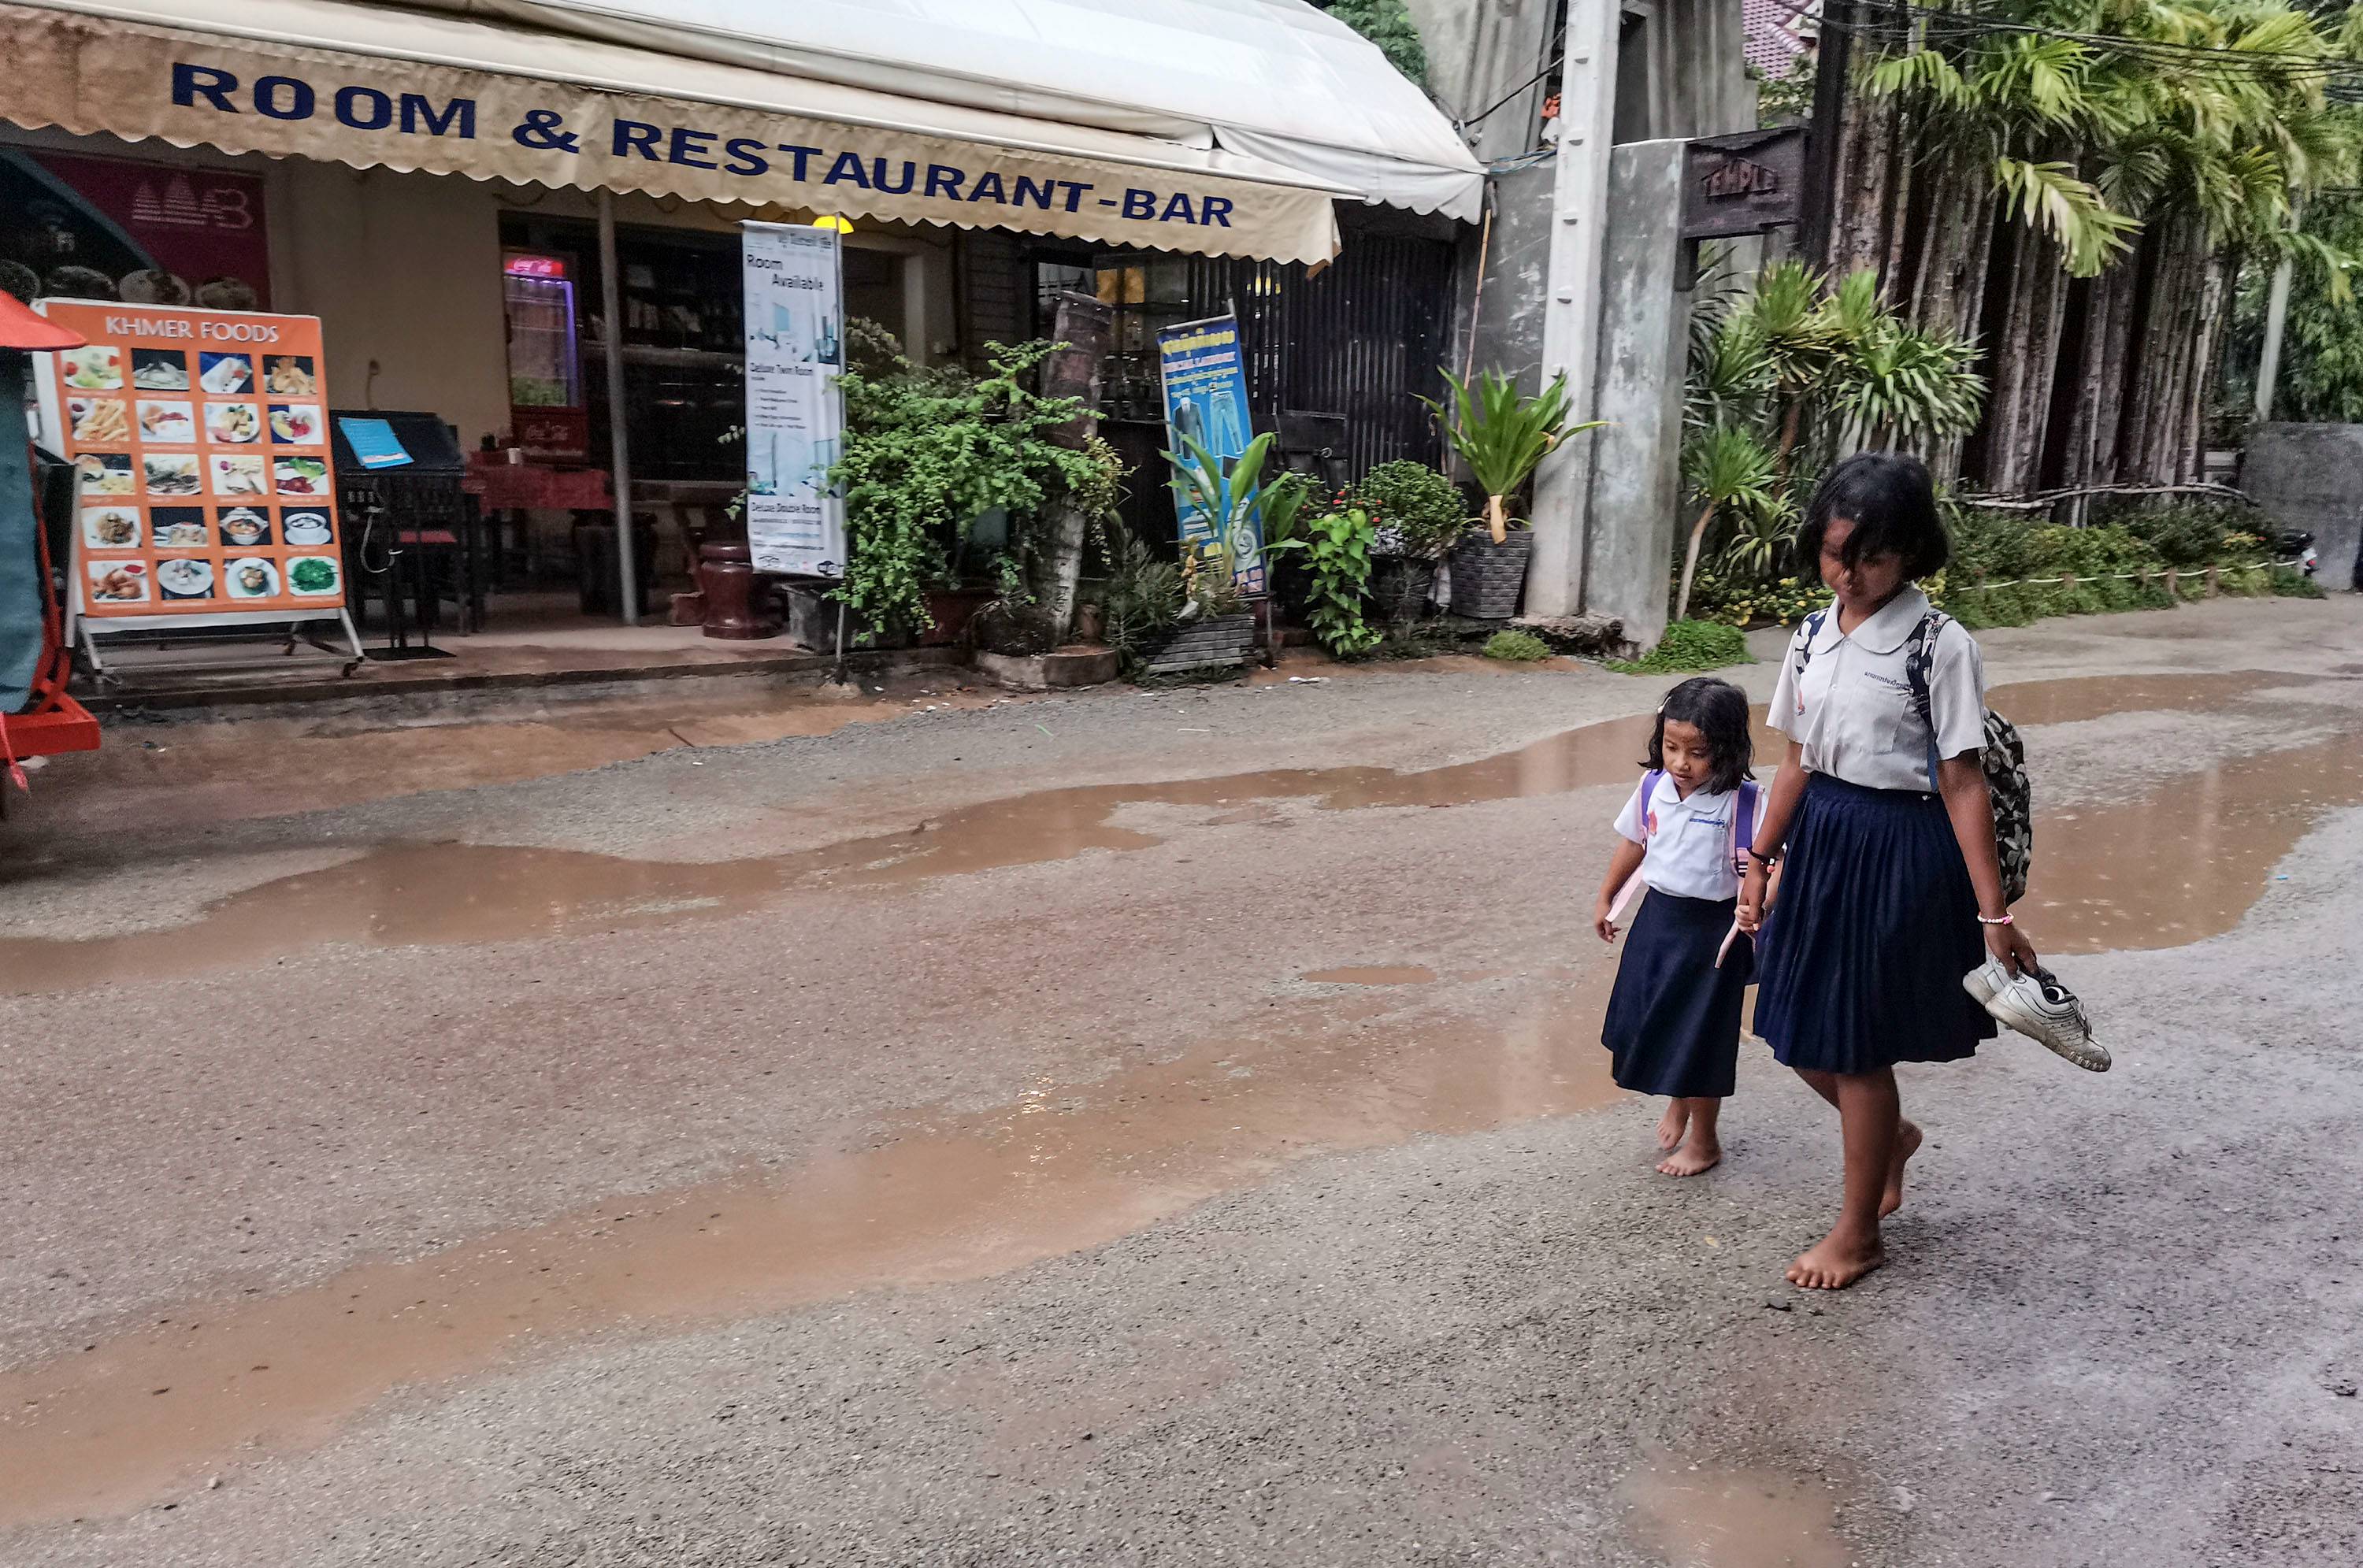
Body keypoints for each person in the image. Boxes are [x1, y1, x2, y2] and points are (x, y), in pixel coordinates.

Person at [1738, 452, 2040, 1290]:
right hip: (1825, 837)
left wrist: (1994, 916)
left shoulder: (1941, 645)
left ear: (1911, 552)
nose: (1850, 572)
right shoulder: (1810, 633)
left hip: (1900, 848)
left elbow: (1963, 779)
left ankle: (1858, 1230)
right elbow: (1795, 760)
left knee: (1856, 1043)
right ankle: (1892, 1141)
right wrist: (1758, 861)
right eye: (1836, 552)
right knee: (1795, 1027)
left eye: (1870, 556)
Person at [1593, 677, 1764, 1177]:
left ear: (1729, 749)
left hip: (1715, 933)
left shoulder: (1748, 803)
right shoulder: (1653, 788)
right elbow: (1633, 843)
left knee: (1701, 1036)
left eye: (1697, 752)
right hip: (1658, 920)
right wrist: (1606, 897)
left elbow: (1775, 867)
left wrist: (1761, 904)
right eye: (1671, 747)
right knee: (1652, 1017)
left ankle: (1705, 1141)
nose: (1680, 763)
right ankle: (1680, 1098)